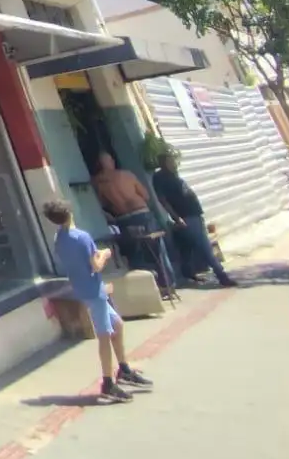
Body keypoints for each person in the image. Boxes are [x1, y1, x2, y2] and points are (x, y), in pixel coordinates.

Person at [44, 199, 151, 403]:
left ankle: (124, 369)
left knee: (117, 325)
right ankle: (108, 383)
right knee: (104, 335)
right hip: (94, 290)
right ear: (69, 212)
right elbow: (95, 266)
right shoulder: (82, 237)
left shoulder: (59, 238)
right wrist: (105, 254)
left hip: (83, 288)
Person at [152, 150, 237, 288]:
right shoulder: (160, 178)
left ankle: (188, 274)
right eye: (170, 161)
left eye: (173, 161)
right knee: (205, 247)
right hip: (186, 216)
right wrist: (177, 218)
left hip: (193, 215)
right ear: (163, 163)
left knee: (187, 247)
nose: (173, 163)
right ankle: (222, 277)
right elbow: (163, 200)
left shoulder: (173, 175)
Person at [91, 152, 158, 275]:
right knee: (155, 249)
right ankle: (165, 280)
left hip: (123, 219)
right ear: (111, 162)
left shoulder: (99, 182)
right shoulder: (127, 175)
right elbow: (146, 196)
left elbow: (103, 204)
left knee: (135, 254)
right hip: (142, 214)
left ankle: (144, 280)